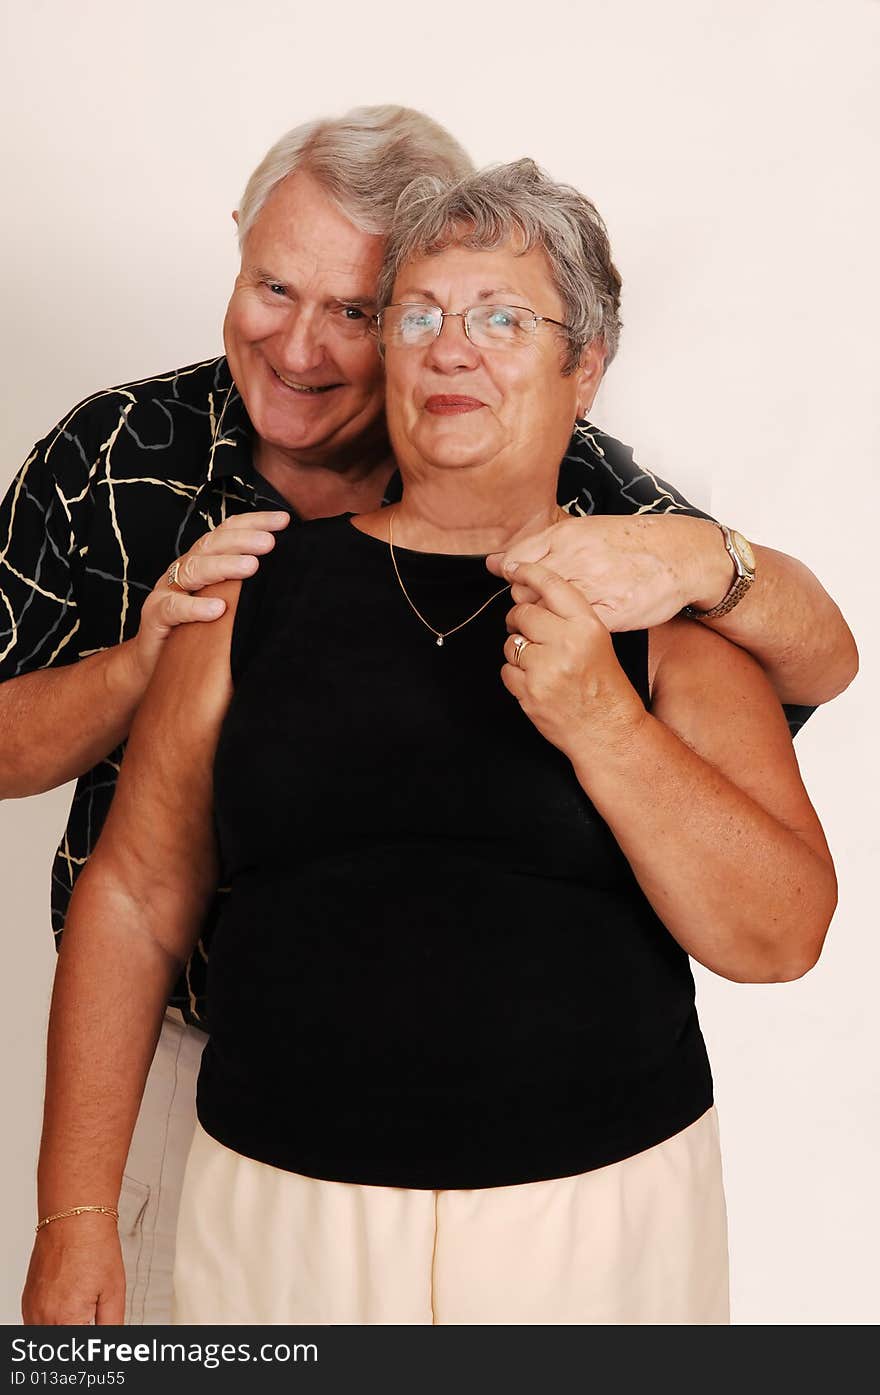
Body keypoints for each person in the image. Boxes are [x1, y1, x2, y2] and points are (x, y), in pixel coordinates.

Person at [5, 108, 855, 1323]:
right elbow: (135, 896)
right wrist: (76, 1217)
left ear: (587, 363)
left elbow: (779, 931)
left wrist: (605, 716)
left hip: (598, 1217)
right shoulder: (236, 585)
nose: (453, 351)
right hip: (271, 1200)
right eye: (419, 316)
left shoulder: (647, 580)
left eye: (504, 319)